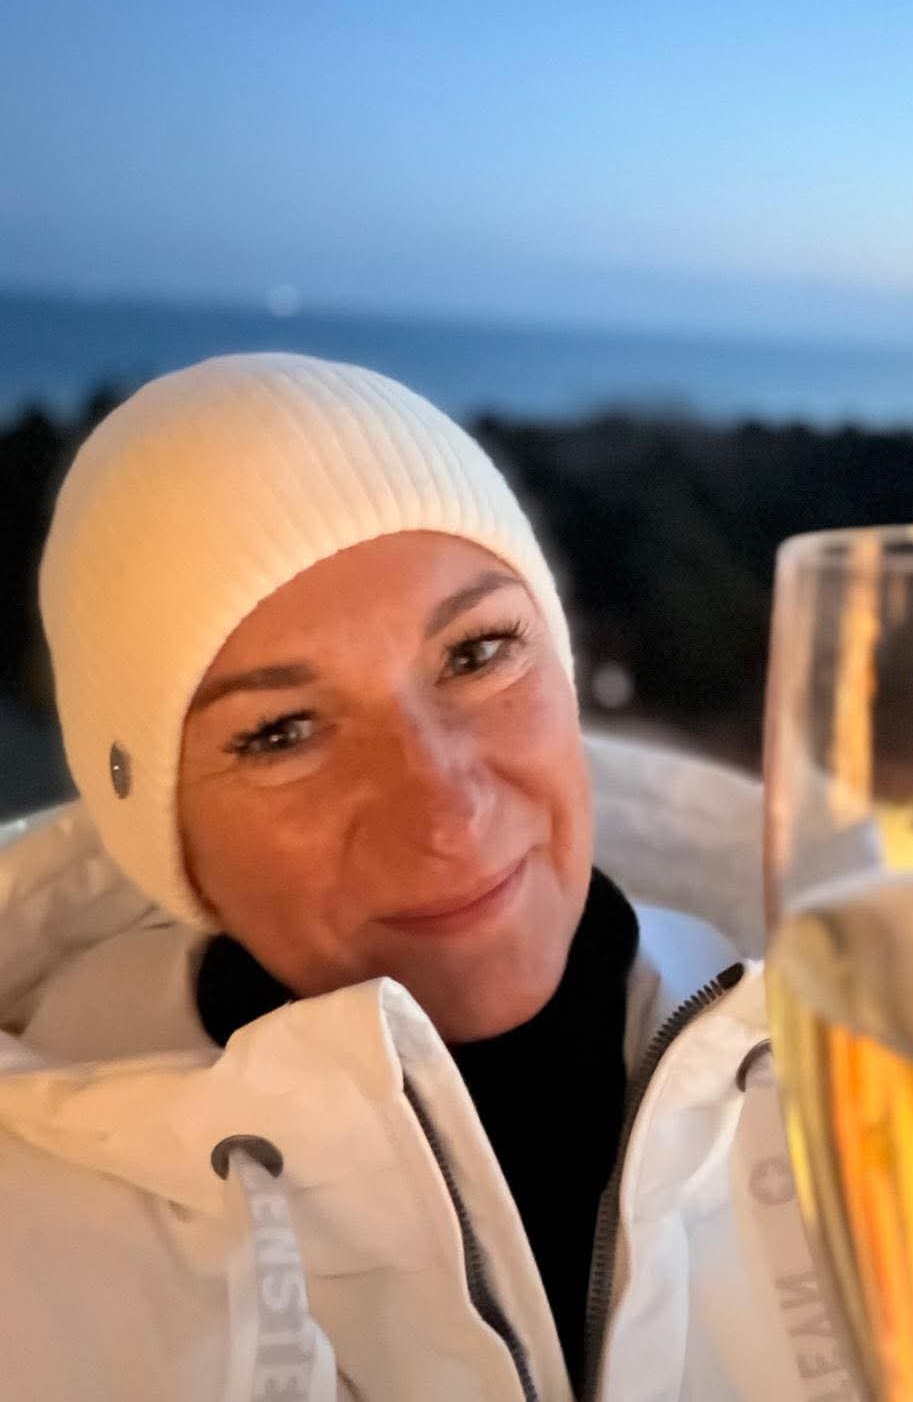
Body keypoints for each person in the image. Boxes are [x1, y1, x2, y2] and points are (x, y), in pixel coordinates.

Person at [0, 354, 849, 1402]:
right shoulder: (30, 1249)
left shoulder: (878, 1076)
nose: (447, 815)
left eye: (477, 652)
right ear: (163, 835)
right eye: (282, 732)